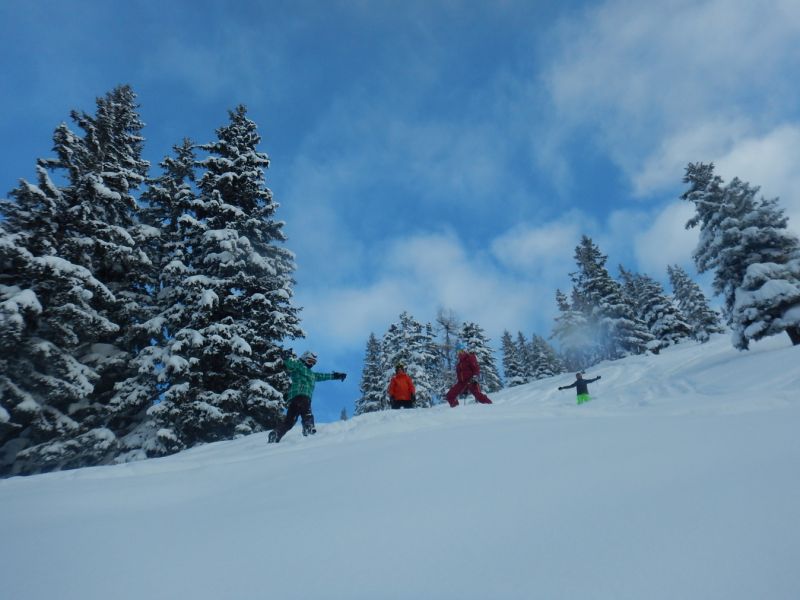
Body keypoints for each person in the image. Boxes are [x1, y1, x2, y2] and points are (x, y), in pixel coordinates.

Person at [268, 350, 346, 443]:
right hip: (303, 395)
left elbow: (323, 376)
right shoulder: (299, 366)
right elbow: (292, 364)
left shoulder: (312, 374)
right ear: (304, 359)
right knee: (306, 412)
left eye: (313, 362)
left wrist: (335, 376)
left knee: (289, 422)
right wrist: (286, 358)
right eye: (309, 361)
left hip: (294, 400)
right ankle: (308, 428)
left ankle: (276, 433)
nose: (311, 364)